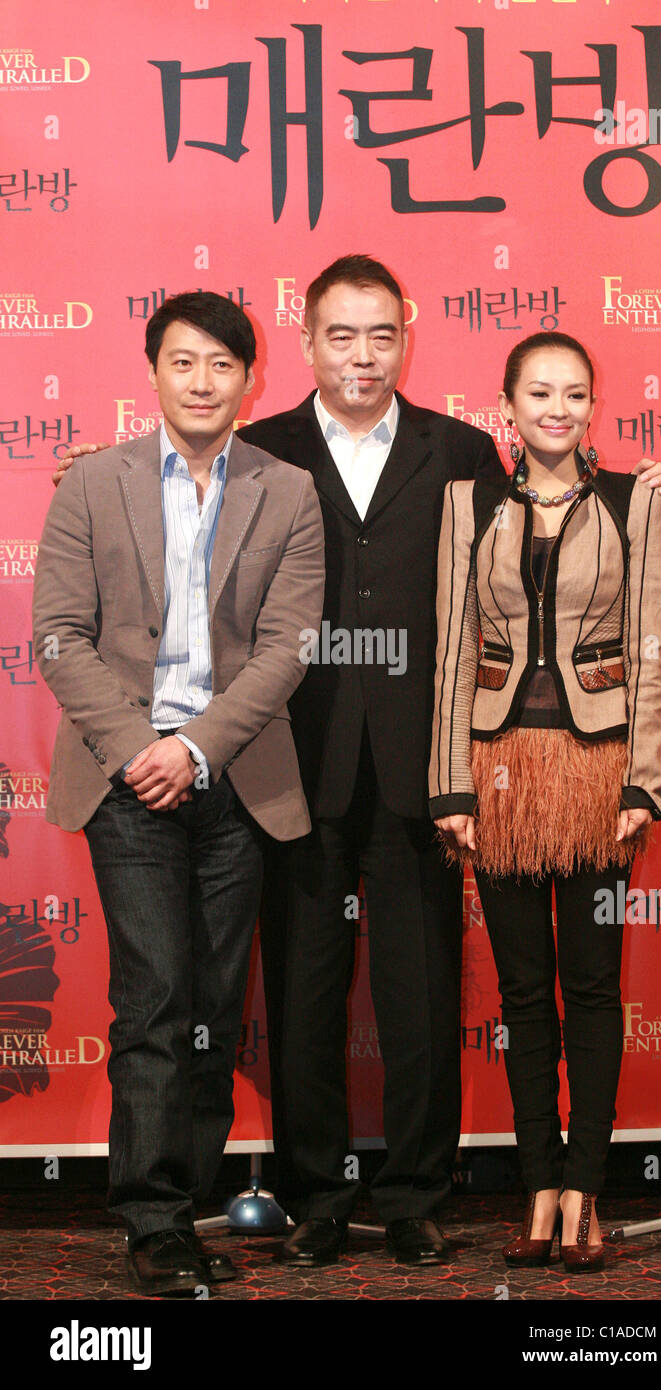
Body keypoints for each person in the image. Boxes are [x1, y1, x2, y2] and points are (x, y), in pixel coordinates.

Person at [53, 257, 661, 1268]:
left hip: (421, 763)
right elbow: (157, 508)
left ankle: (413, 1195)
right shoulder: (257, 449)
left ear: (408, 334)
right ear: (304, 343)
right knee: (299, 997)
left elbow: (546, 533)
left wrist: (644, 489)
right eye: (338, 335)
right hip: (278, 759)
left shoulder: (461, 448)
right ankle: (313, 1195)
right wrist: (90, 467)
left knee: (420, 991)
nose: (358, 354)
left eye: (378, 334)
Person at [33, 292, 325, 1294]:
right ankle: (154, 1219)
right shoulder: (91, 483)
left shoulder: (285, 491)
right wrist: (139, 749)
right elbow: (60, 635)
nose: (202, 382)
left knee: (208, 1001)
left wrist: (195, 747)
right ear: (151, 370)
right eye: (183, 362)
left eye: (221, 366)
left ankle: (185, 1193)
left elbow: (288, 646)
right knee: (155, 996)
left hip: (235, 776)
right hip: (126, 780)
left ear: (251, 380)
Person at [429, 331, 661, 1272]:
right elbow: (452, 651)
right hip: (496, 776)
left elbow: (650, 646)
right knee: (524, 991)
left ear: (592, 408)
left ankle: (585, 1189)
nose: (558, 409)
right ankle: (537, 1183)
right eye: (539, 392)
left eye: (575, 394)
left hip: (595, 770)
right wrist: (448, 782)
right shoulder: (469, 504)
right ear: (508, 404)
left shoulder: (631, 502)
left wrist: (642, 781)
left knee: (593, 986)